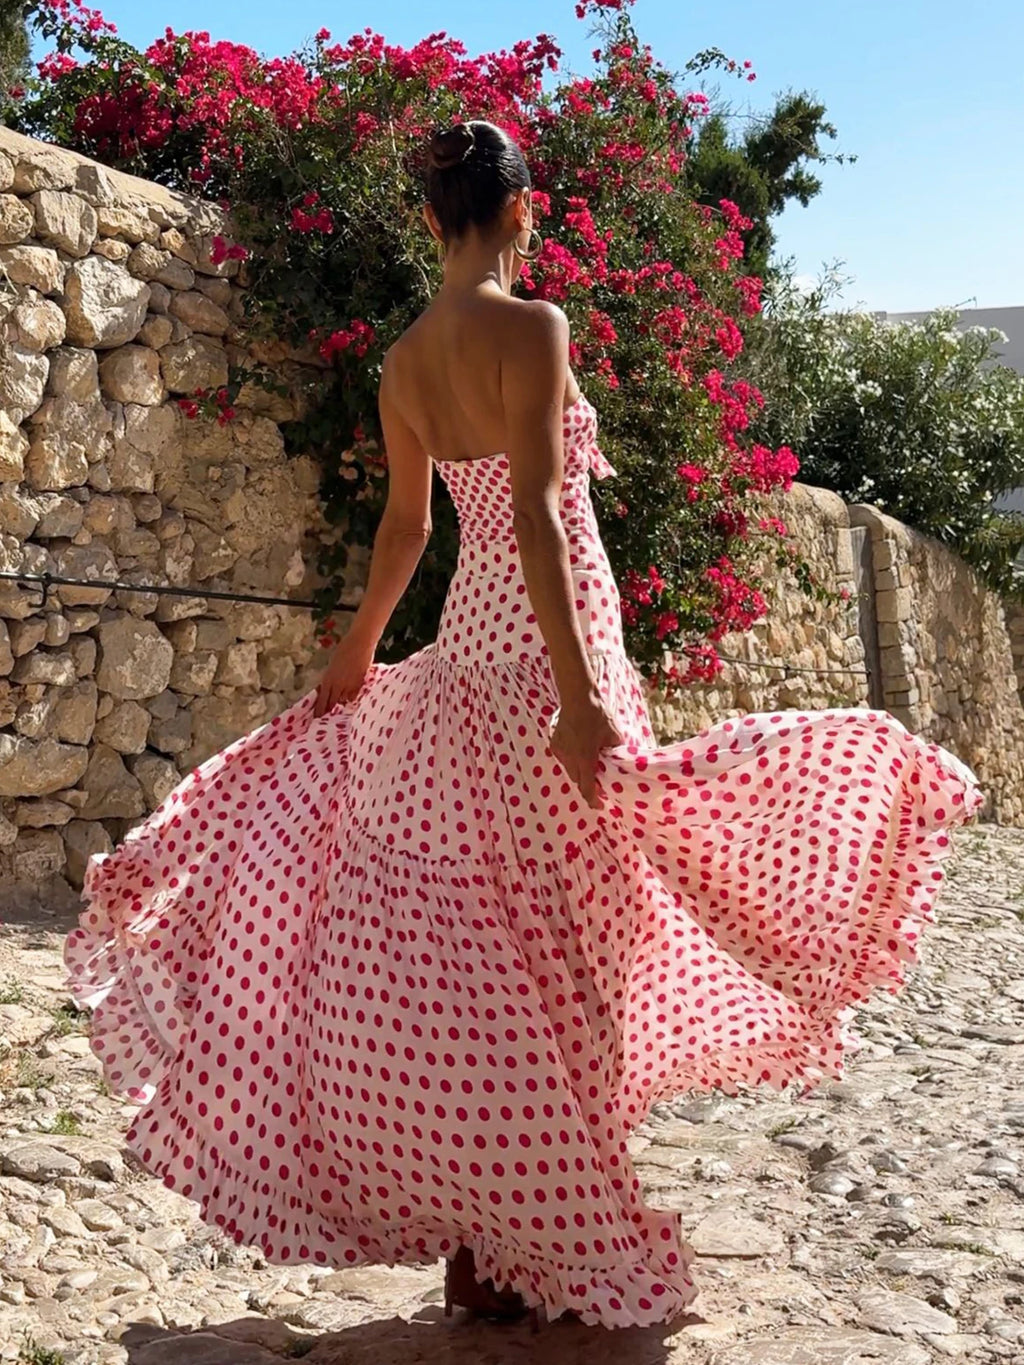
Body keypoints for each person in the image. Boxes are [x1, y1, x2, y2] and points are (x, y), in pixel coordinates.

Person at [64, 119, 983, 1334]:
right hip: (548, 645)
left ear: (435, 217)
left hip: (471, 651)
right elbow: (543, 514)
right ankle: (536, 1221)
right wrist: (584, 698)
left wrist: (356, 654)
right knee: (567, 923)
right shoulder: (534, 329)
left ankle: (487, 1230)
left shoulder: (402, 361)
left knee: (487, 933)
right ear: (521, 213)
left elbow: (410, 533)